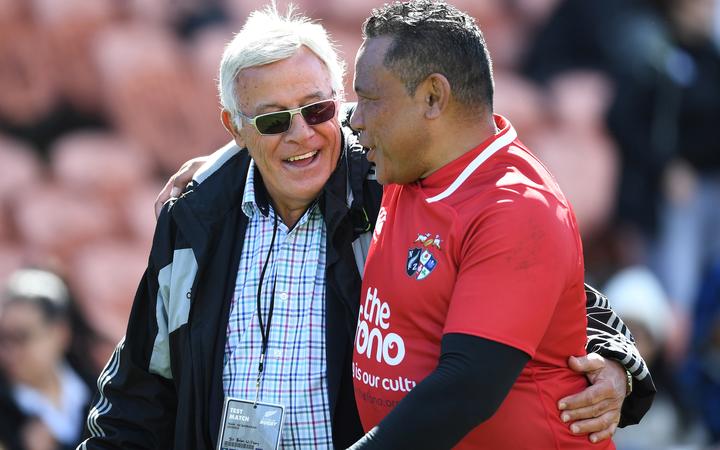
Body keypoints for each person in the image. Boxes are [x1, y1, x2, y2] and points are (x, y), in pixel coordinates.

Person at [82, 4, 653, 450]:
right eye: (274, 120)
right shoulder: (195, 217)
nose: (302, 134)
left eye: (319, 110)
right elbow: (139, 389)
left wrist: (620, 364)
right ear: (236, 127)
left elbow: (543, 286)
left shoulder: (389, 184)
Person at [341, 1, 635, 448]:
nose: (355, 119)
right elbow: (296, 137)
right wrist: (209, 172)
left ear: (433, 98)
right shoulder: (403, 161)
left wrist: (620, 359)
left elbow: (467, 388)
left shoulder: (515, 207)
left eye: (369, 99)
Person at [0, 268, 92, 450]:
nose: (7, 351)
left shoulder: (100, 392)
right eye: (3, 338)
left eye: (21, 337)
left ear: (60, 332)